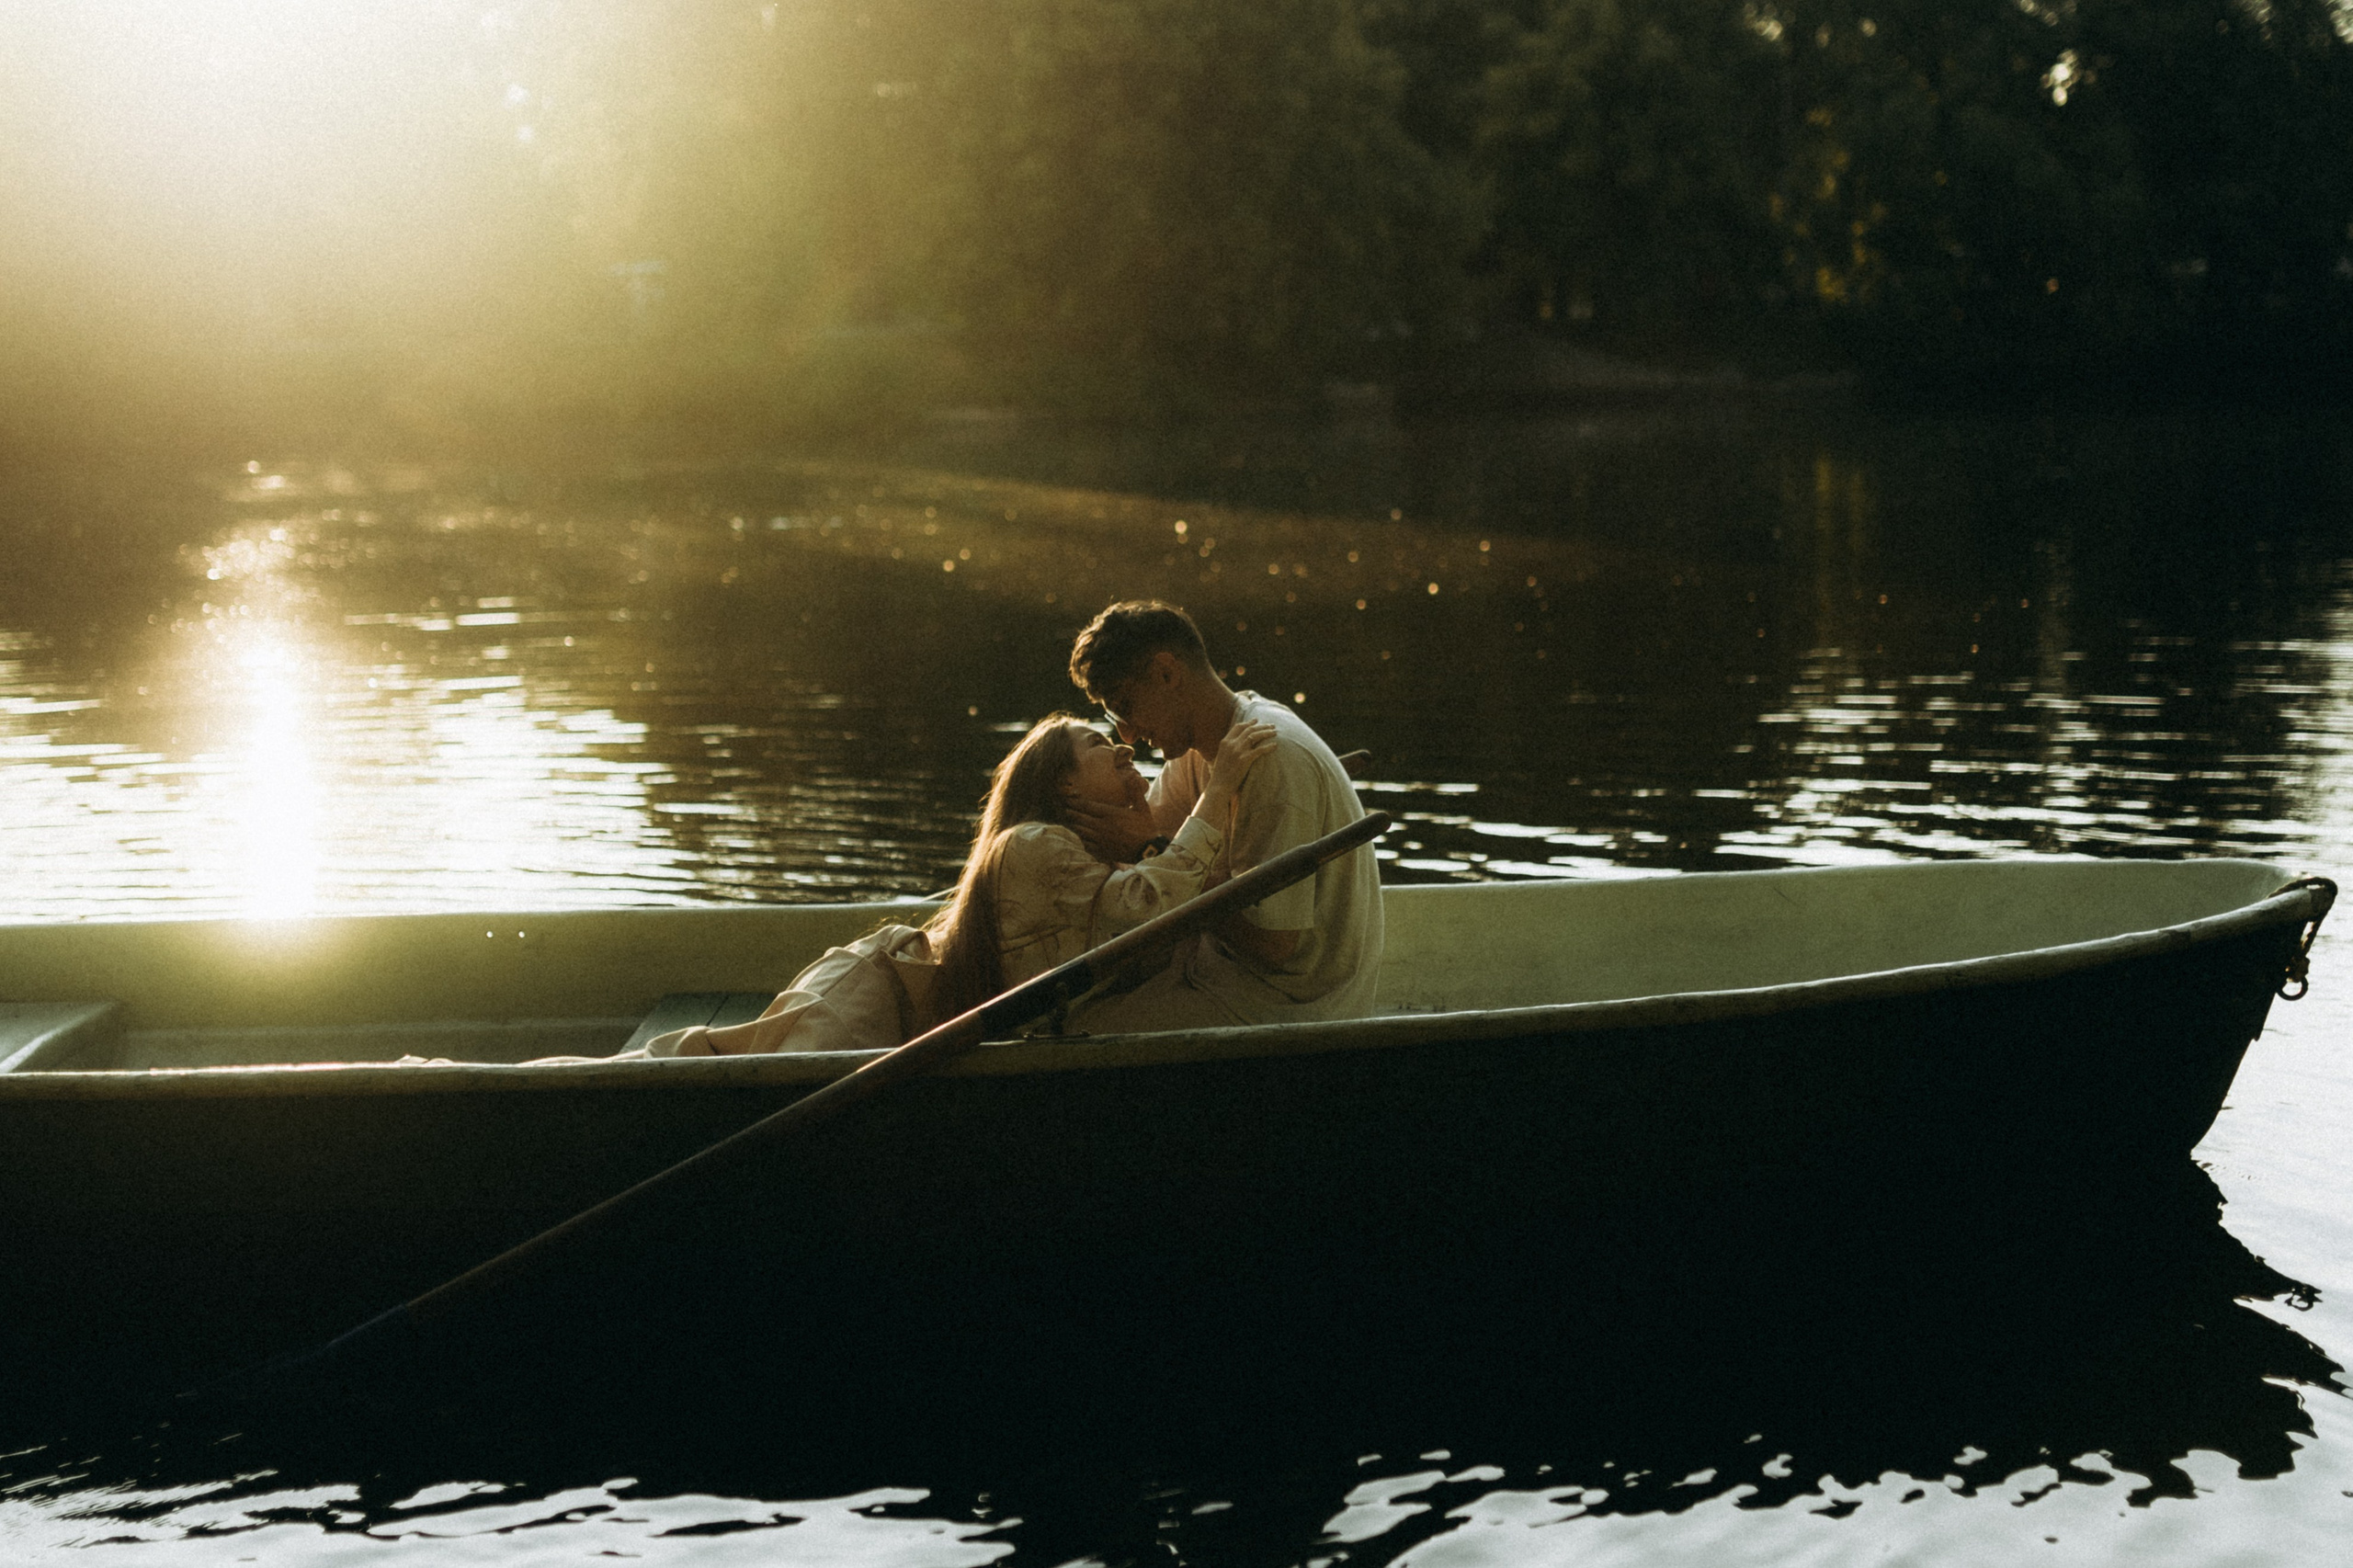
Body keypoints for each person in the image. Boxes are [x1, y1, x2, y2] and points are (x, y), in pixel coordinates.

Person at [1063, 599, 1382, 1028]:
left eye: (1124, 705)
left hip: (1286, 1001)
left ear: (1166, 673)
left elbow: (1274, 943)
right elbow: (1150, 844)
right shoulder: (1200, 748)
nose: (1126, 734)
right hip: (1218, 966)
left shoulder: (1269, 754)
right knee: (1077, 998)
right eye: (1112, 715)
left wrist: (1147, 850)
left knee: (1077, 1026)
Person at [918, 710, 1279, 1028]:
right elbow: (1145, 905)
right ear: (1065, 782)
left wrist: (1145, 841)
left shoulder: (1087, 847)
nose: (1125, 748)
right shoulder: (1033, 841)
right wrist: (1219, 788)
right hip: (1031, 1028)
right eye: (1098, 743)